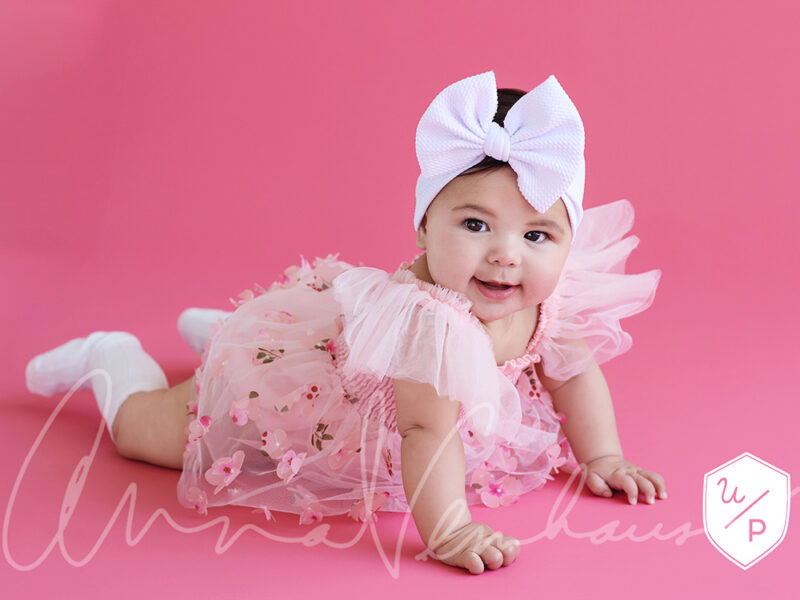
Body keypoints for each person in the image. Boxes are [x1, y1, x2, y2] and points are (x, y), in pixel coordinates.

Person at [25, 71, 666, 575]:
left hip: (353, 359)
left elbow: (575, 374)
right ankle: (114, 357)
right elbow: (424, 429)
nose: (506, 254)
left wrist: (603, 455)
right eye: (475, 225)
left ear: (565, 241)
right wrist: (448, 529)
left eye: (536, 234)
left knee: (278, 345)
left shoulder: (548, 302)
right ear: (422, 227)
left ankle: (222, 331)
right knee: (146, 433)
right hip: (324, 414)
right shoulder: (429, 325)